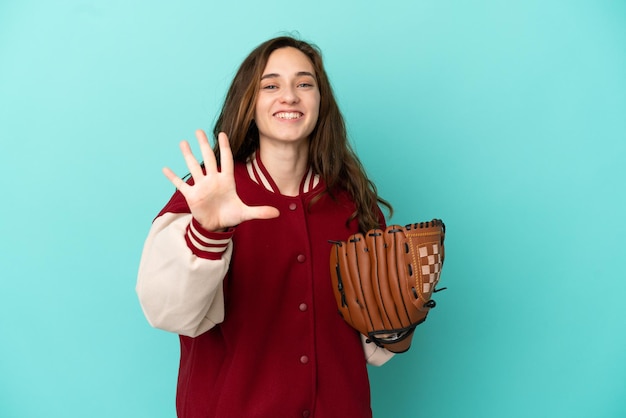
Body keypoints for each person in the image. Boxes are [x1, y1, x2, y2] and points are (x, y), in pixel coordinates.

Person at [136, 35, 394, 418]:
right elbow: (168, 312)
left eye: (304, 84)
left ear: (321, 102)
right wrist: (207, 233)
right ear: (249, 103)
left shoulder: (353, 201)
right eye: (270, 85)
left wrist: (397, 323)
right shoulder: (208, 192)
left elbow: (376, 346)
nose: (289, 96)